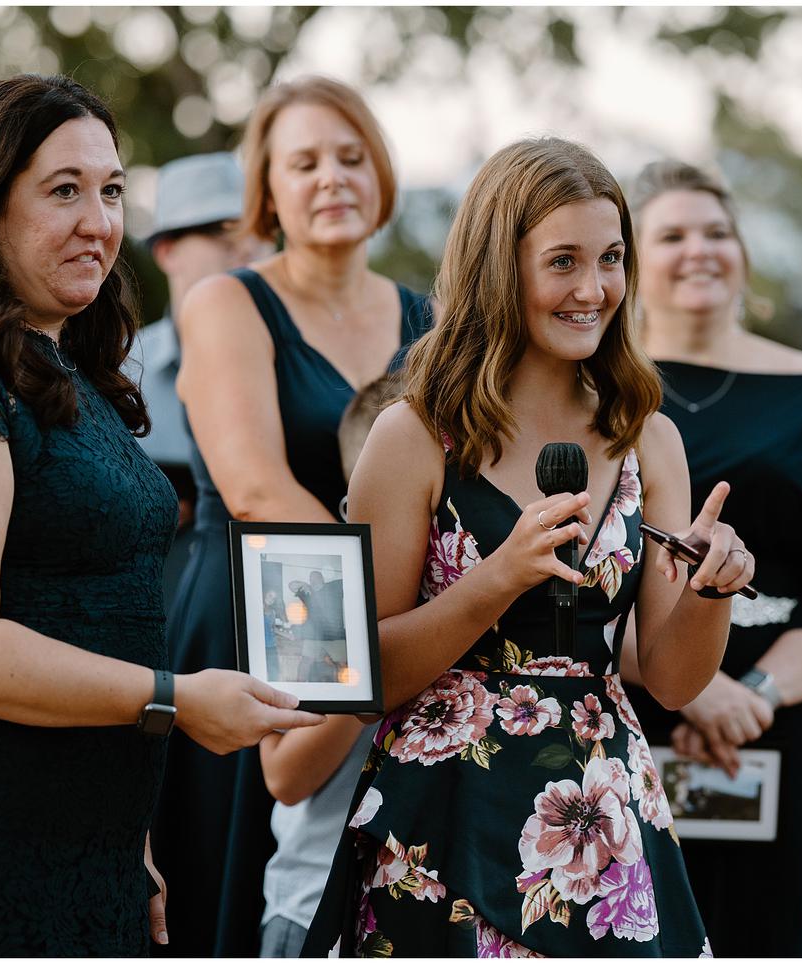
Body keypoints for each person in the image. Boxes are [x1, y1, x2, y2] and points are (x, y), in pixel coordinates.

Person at [0, 74, 323, 956]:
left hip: (84, 834)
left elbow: (95, 610)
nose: (101, 221)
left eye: (113, 190)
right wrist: (175, 702)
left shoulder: (63, 372)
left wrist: (128, 835)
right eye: (64, 191)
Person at [304, 136, 756, 957]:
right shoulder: (412, 437)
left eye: (612, 258)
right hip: (440, 818)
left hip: (604, 811)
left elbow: (672, 676)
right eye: (563, 262)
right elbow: (354, 674)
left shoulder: (648, 438)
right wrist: (496, 580)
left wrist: (710, 593)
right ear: (497, 268)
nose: (594, 289)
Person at [151, 75, 433, 957]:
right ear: (266, 191)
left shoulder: (431, 320)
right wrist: (375, 622)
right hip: (250, 617)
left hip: (399, 631)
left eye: (351, 158)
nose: (331, 179)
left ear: (381, 176)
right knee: (240, 899)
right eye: (303, 163)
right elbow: (257, 489)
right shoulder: (228, 302)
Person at [621, 159, 802, 957]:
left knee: (780, 930)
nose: (699, 250)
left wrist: (754, 697)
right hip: (630, 712)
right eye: (671, 235)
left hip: (785, 722)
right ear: (634, 258)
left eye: (718, 232)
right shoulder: (597, 393)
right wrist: (691, 690)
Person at [258, 376, 397, 958]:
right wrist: (381, 671)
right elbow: (285, 776)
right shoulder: (317, 597)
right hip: (318, 902)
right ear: (353, 504)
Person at [124, 152, 270, 597]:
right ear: (167, 250)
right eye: (221, 232)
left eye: (259, 231)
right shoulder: (117, 370)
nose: (247, 247)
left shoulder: (314, 372)